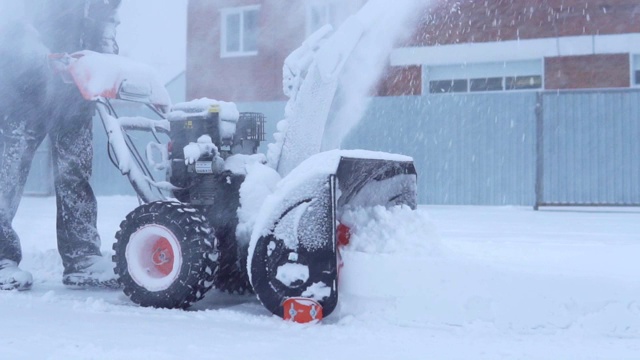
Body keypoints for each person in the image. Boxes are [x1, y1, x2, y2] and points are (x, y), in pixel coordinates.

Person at [0, 0, 122, 290]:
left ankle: (82, 258)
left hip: (74, 94)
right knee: (8, 173)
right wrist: (40, 56)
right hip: (23, 89)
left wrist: (105, 55)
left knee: (75, 174)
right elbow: (13, 19)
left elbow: (107, 28)